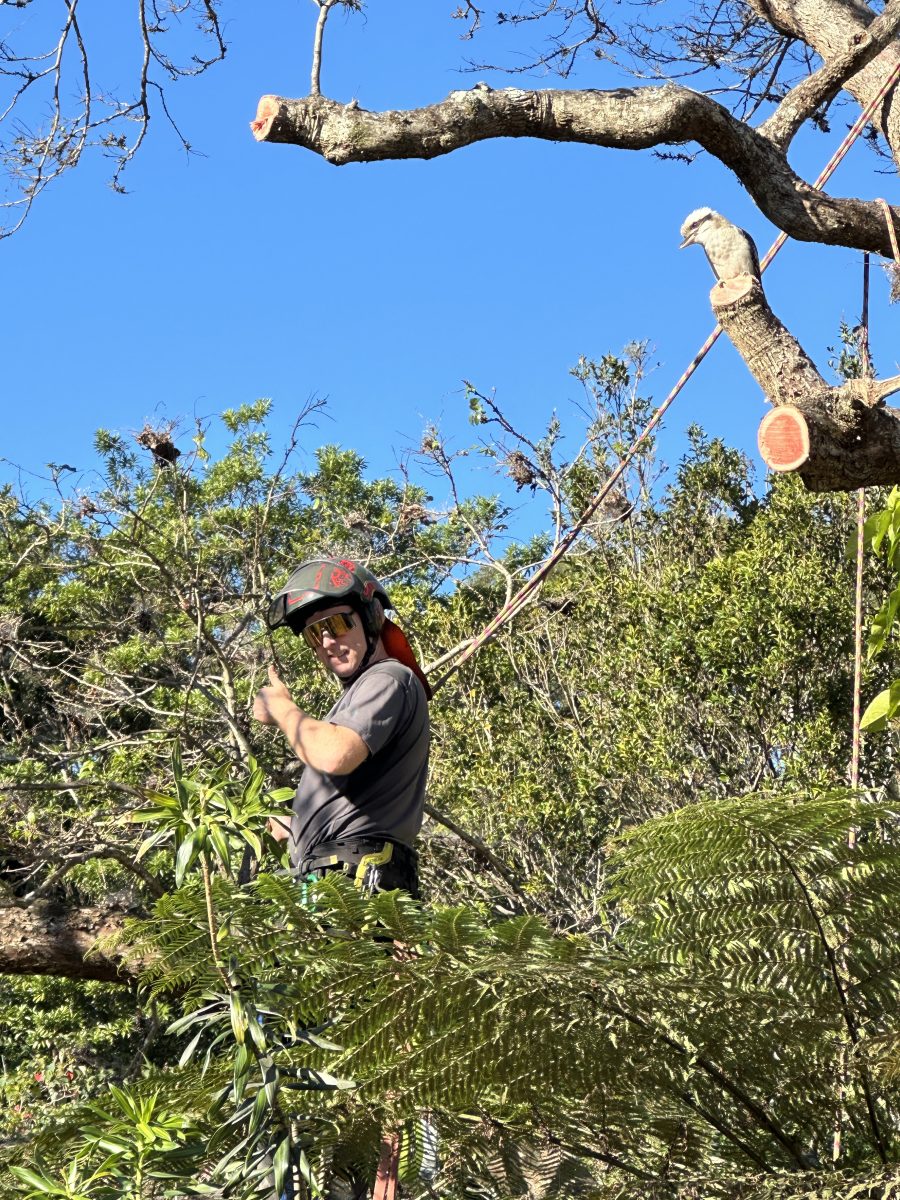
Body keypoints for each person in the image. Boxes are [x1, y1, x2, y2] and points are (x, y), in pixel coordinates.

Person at [254, 557, 431, 897]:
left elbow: (336, 754)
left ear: (372, 618)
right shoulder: (361, 693)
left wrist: (283, 710)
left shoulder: (388, 678)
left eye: (336, 624)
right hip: (334, 875)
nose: (326, 642)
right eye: (313, 634)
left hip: (357, 880)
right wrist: (297, 828)